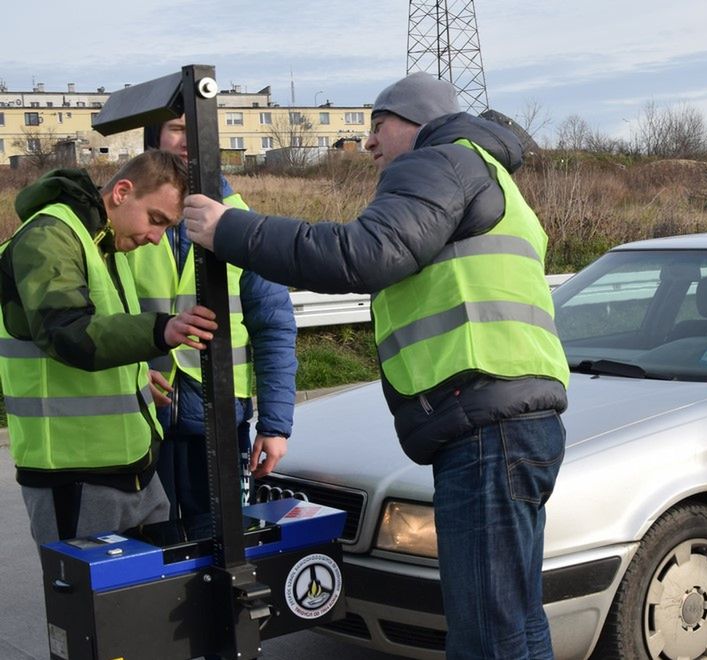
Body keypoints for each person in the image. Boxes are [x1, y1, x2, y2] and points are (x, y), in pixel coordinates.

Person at [182, 72, 569, 658]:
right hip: (520, 422)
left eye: (378, 125)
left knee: (487, 637)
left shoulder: (438, 163)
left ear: (415, 122)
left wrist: (228, 228)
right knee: (516, 622)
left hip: (487, 428)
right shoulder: (495, 182)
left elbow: (362, 254)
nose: (368, 144)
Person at [0, 151, 218, 544]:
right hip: (75, 477)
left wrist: (134, 377)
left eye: (166, 228)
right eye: (155, 220)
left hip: (132, 472)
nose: (155, 239)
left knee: (153, 599)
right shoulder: (49, 236)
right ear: (121, 192)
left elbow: (104, 336)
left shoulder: (103, 243)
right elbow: (68, 334)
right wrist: (162, 330)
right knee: (92, 604)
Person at [131, 115, 297, 538]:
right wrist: (124, 377)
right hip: (142, 418)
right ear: (154, 138)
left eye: (198, 128)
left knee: (223, 548)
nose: (188, 142)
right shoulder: (126, 217)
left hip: (221, 419)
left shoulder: (244, 222)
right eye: (176, 129)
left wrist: (275, 425)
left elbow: (273, 324)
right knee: (154, 553)